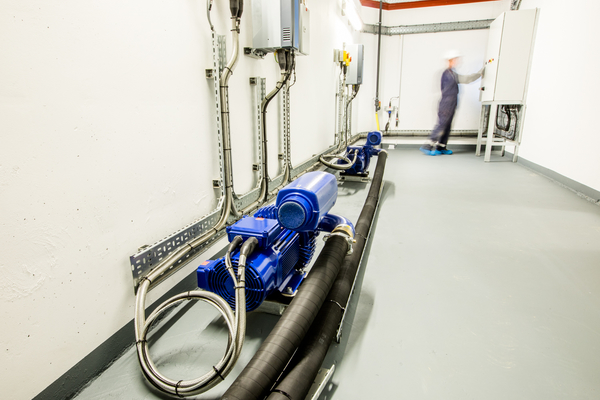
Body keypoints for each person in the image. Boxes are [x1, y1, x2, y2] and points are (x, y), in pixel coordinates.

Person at [420, 51, 484, 156]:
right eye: (455, 59)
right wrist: (479, 73)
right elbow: (466, 79)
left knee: (447, 125)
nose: (457, 61)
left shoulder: (451, 73)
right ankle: (427, 146)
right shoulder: (448, 74)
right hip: (446, 103)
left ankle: (441, 147)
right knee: (442, 125)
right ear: (450, 61)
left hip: (451, 103)